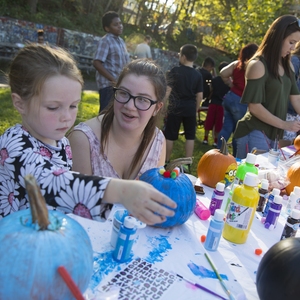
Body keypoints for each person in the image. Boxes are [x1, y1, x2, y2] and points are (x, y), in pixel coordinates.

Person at [0, 44, 176, 224]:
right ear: (20, 103)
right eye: (53, 107)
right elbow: (53, 183)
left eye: (73, 106)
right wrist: (122, 191)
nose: (67, 117)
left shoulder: (60, 143)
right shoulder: (14, 145)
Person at [68, 58, 166, 181]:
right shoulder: (83, 140)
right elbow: (79, 198)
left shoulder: (157, 141)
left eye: (142, 99)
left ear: (157, 108)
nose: (129, 106)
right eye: (124, 93)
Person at [234, 15, 300, 159]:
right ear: (278, 38)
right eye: (291, 42)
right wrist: (285, 124)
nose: (293, 48)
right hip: (253, 133)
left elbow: (296, 99)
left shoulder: (288, 65)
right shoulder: (257, 65)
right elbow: (254, 107)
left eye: (296, 43)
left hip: (274, 136)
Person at [164, 44, 203, 172]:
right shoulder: (198, 75)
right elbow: (199, 96)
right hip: (190, 108)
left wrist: (163, 105)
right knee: (190, 136)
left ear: (184, 57)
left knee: (169, 135)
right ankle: (187, 164)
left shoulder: (174, 71)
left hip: (175, 107)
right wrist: (196, 109)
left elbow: (168, 91)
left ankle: (166, 161)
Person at [217, 43, 258, 156]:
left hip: (230, 97)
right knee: (238, 131)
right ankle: (236, 157)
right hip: (242, 101)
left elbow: (223, 73)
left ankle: (218, 151)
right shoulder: (255, 68)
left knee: (226, 128)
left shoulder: (237, 64)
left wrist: (231, 84)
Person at [93, 11, 130, 113]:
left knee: (116, 115)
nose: (120, 26)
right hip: (108, 86)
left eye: (120, 23)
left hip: (119, 85)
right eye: (115, 24)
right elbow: (97, 62)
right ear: (107, 28)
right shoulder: (106, 41)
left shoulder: (121, 42)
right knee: (105, 115)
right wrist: (113, 80)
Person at [202, 61, 230, 147]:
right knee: (218, 123)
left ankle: (205, 138)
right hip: (222, 104)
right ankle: (215, 141)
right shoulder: (228, 82)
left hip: (213, 103)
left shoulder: (214, 80)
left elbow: (210, 86)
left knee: (209, 121)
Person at [284, 41, 300, 141]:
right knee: (284, 148)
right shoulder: (295, 61)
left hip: (295, 113)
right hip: (287, 113)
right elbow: (289, 90)